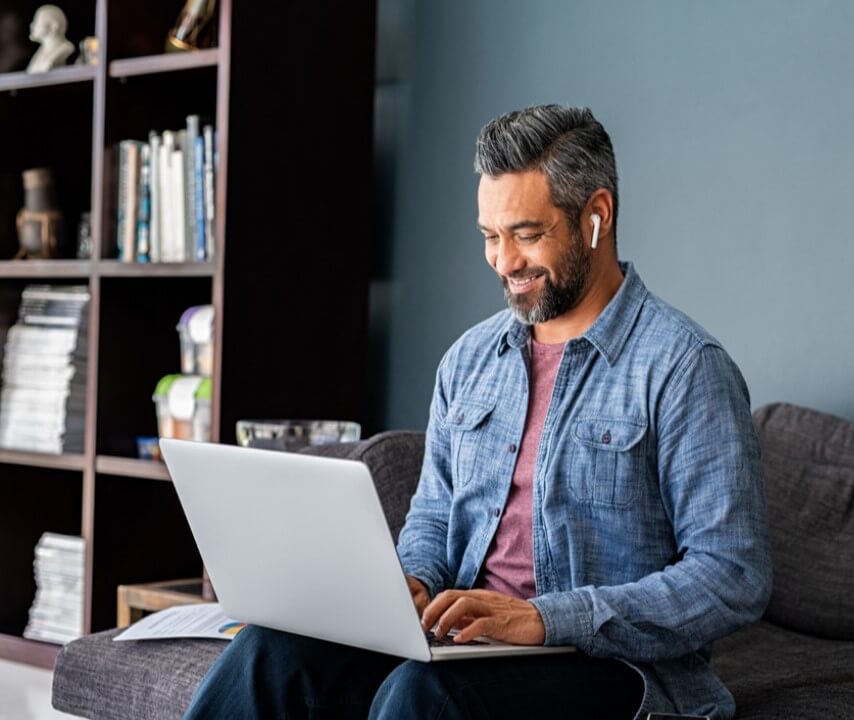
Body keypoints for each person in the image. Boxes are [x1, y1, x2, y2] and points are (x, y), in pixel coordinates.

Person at [184, 104, 771, 720]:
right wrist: (409, 586)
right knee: (270, 652)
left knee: (426, 696)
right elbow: (434, 518)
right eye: (491, 237)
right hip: (465, 649)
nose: (504, 262)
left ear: (596, 216)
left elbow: (731, 575)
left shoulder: (684, 366)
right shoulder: (469, 361)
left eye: (527, 233)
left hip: (611, 669)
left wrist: (545, 619)